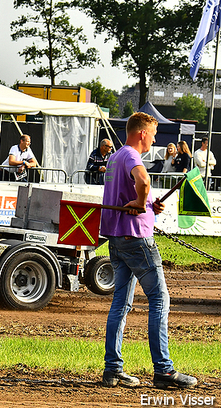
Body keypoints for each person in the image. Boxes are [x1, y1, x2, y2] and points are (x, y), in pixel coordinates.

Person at [101, 112, 197, 390]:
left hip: (117, 239)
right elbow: (141, 182)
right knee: (159, 300)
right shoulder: (132, 155)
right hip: (137, 239)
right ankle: (164, 371)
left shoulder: (115, 156)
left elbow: (130, 192)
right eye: (153, 134)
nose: (154, 139)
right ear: (142, 133)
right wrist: (143, 200)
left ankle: (113, 370)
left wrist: (149, 203)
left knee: (121, 303)